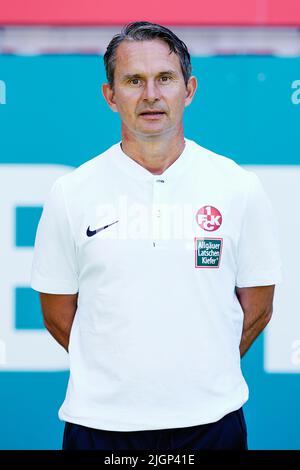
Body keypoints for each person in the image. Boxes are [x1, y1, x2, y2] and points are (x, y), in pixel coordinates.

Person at [30, 21, 282, 451]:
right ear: (110, 96)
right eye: (133, 80)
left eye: (165, 78)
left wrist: (198, 373)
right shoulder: (71, 193)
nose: (151, 94)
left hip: (211, 425)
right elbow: (57, 312)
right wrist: (122, 377)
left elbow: (257, 307)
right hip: (98, 427)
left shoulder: (238, 187)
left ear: (190, 90)